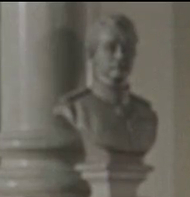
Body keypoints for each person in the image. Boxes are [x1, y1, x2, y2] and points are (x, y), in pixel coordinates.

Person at [54, 13, 158, 157]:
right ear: (91, 54)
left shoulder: (145, 114)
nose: (120, 55)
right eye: (111, 47)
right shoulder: (76, 110)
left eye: (127, 48)